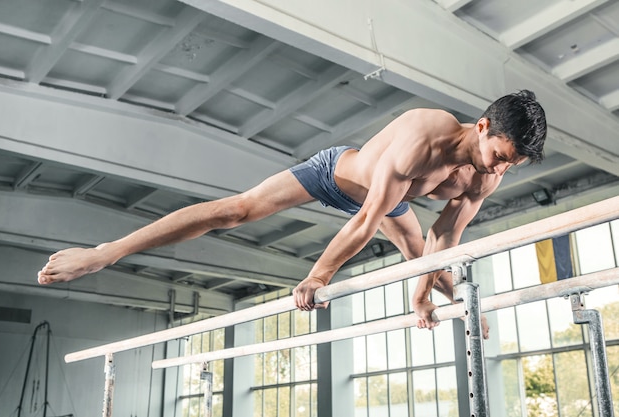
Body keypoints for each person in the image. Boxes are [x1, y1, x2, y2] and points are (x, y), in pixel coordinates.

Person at [37, 90, 546, 337]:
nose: (500, 168)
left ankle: (463, 306)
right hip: (341, 176)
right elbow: (366, 219)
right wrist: (318, 275)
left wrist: (418, 294)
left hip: (392, 202)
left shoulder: (487, 175)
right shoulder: (424, 133)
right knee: (237, 211)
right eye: (500, 154)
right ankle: (104, 253)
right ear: (481, 127)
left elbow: (444, 238)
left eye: (511, 165)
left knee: (430, 268)